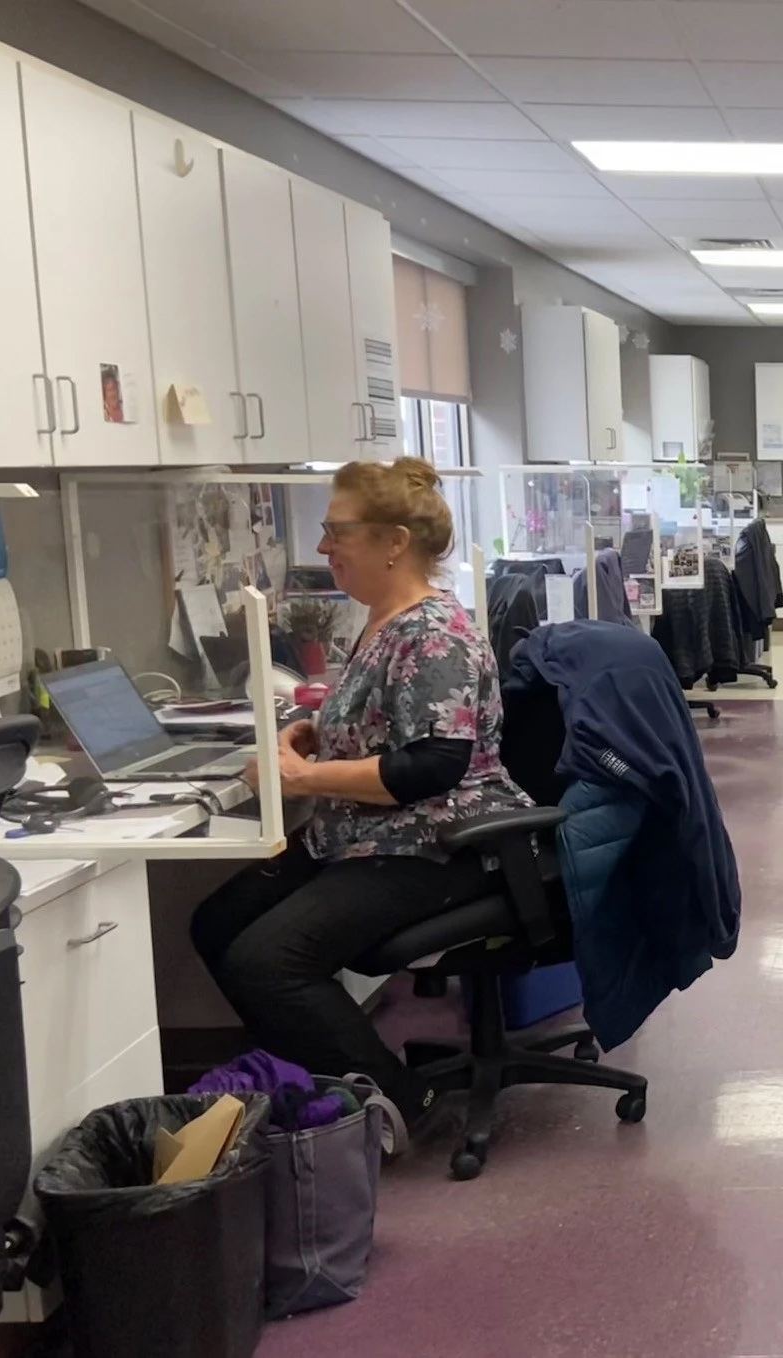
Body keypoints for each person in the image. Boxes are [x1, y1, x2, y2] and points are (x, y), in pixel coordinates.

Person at [191, 458, 530, 1143]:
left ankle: (401, 1106)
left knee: (269, 961)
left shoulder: (431, 632)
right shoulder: (380, 620)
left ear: (393, 542)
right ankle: (310, 1086)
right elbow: (393, 723)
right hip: (364, 834)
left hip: (435, 844)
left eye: (336, 531)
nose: (324, 548)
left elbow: (434, 763)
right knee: (217, 924)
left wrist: (302, 779)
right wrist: (320, 735)